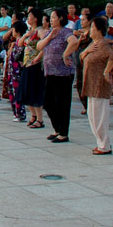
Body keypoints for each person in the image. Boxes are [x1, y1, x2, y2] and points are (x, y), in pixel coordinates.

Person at [37, 8, 79, 143]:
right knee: (48, 102)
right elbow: (39, 46)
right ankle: (56, 128)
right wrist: (50, 36)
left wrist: (65, 54)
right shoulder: (50, 32)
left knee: (62, 103)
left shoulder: (66, 32)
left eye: (53, 17)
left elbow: (74, 42)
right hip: (50, 72)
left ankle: (63, 132)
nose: (51, 19)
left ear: (60, 18)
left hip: (63, 73)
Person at [81, 16, 113, 155]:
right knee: (92, 116)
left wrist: (106, 72)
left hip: (100, 85)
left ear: (98, 30)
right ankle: (100, 143)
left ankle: (105, 145)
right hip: (91, 84)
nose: (90, 30)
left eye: (92, 28)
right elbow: (82, 57)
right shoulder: (93, 43)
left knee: (99, 116)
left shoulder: (102, 44)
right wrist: (86, 52)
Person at [20, 9, 46, 128]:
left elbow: (46, 44)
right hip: (27, 63)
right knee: (27, 91)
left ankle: (40, 119)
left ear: (36, 18)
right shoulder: (30, 31)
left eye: (30, 16)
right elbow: (20, 43)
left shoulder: (40, 31)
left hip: (35, 65)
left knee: (35, 91)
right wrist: (26, 35)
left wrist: (38, 57)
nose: (28, 18)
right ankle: (33, 115)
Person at [4, 21, 27, 121]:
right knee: (12, 92)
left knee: (17, 92)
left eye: (13, 30)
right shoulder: (15, 43)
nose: (12, 32)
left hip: (17, 71)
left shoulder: (21, 43)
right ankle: (16, 112)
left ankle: (20, 113)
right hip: (12, 70)